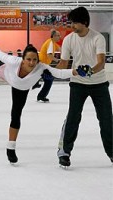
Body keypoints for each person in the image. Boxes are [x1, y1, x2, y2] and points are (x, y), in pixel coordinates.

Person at [0, 31, 88, 164]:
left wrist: (76, 71)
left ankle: (10, 148)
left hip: (21, 88)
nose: (31, 63)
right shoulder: (14, 61)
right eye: (28, 59)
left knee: (16, 114)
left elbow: (59, 72)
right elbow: (0, 52)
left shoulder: (41, 67)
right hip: (6, 73)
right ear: (23, 59)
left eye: (34, 60)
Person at [55, 7, 113, 167]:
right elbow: (64, 63)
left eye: (74, 22)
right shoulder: (69, 40)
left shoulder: (98, 38)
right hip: (78, 84)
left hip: (99, 84)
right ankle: (64, 152)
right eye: (71, 22)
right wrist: (49, 71)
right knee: (73, 117)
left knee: (107, 119)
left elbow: (101, 62)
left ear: (85, 22)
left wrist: (90, 71)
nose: (71, 25)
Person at [36, 30, 61, 102]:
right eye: (58, 35)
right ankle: (41, 96)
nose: (60, 37)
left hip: (42, 65)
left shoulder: (52, 42)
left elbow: (60, 49)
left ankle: (40, 94)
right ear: (53, 36)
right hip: (42, 65)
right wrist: (58, 60)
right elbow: (49, 55)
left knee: (48, 79)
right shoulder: (50, 43)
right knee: (49, 79)